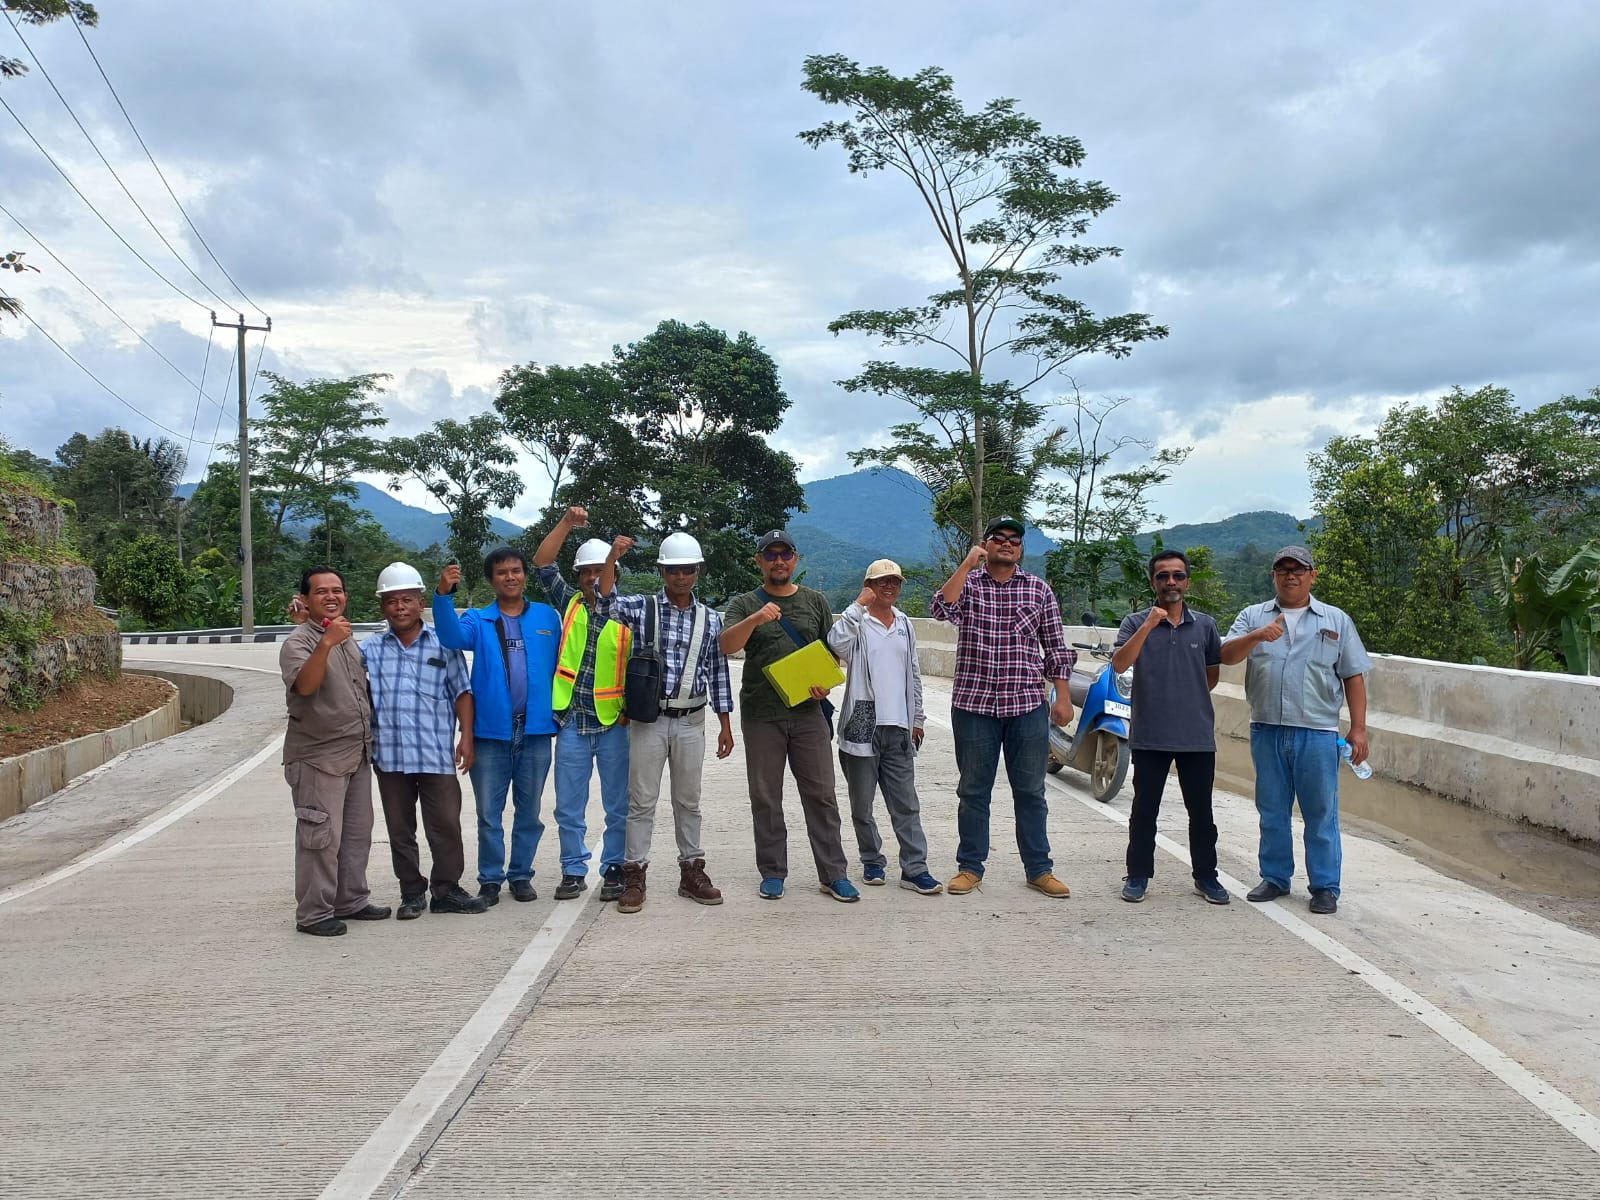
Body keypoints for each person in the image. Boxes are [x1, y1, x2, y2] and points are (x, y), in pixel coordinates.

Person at [1221, 545, 1372, 915]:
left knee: (1320, 813)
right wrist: (1258, 636)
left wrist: (1359, 729)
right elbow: (1226, 655)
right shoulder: (1253, 616)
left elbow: (1353, 675)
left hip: (1317, 732)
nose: (1291, 575)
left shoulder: (1336, 620)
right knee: (1271, 809)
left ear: (1312, 576)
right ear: (1273, 575)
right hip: (1267, 728)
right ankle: (1274, 878)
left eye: (1298, 569)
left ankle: (1324, 887)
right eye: (1283, 569)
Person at [931, 516, 1075, 898]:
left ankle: (1039, 869)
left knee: (1031, 792)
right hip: (974, 705)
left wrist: (1062, 696)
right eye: (999, 537)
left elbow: (1055, 646)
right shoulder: (969, 584)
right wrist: (967, 564)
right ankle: (970, 867)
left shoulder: (1038, 590)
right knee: (973, 791)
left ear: (1021, 548)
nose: (1007, 543)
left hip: (1026, 706)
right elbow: (940, 609)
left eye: (1014, 539)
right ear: (987, 544)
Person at [596, 531, 735, 913]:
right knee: (641, 801)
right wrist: (612, 558)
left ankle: (692, 871)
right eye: (674, 570)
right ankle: (635, 875)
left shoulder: (710, 619)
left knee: (689, 800)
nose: (681, 576)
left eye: (688, 569)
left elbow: (717, 670)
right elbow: (604, 603)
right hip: (650, 720)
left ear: (698, 571)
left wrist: (725, 723)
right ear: (662, 571)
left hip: (692, 719)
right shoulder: (644, 608)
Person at [720, 529, 857, 903]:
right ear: (759, 561)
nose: (778, 561)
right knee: (766, 796)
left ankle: (833, 874)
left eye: (785, 554)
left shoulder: (815, 601)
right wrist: (755, 620)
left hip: (809, 714)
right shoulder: (745, 603)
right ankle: (772, 872)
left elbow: (832, 652)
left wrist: (825, 682)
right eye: (771, 555)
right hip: (762, 714)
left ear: (796, 560)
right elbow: (727, 645)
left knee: (822, 794)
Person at [432, 547, 561, 907]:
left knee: (529, 812)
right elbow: (451, 637)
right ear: (492, 580)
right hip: (490, 734)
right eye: (502, 572)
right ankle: (490, 878)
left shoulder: (547, 617)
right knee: (489, 814)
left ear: (524, 575)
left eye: (516, 570)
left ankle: (520, 875)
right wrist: (443, 594)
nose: (510, 577)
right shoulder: (478, 620)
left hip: (535, 731)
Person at [362, 562, 486, 920]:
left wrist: (466, 737)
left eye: (406, 600)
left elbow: (462, 692)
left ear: (420, 603)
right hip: (390, 756)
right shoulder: (369, 649)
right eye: (391, 601)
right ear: (383, 606)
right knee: (400, 830)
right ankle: (411, 893)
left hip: (434, 753)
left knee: (445, 825)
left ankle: (446, 890)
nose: (399, 607)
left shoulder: (443, 644)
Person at [1111, 550, 1228, 906]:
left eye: (1178, 575)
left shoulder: (1205, 626)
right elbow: (1119, 664)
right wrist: (1149, 625)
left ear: (1187, 581)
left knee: (1201, 813)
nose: (1171, 582)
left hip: (1196, 736)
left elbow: (1210, 677)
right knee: (1144, 810)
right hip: (1150, 734)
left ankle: (1206, 876)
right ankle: (1137, 875)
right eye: (1163, 576)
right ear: (1153, 582)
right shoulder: (1134, 622)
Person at [279, 566, 390, 936]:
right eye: (321, 591)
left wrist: (332, 637)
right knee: (320, 838)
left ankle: (350, 900)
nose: (331, 596)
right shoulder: (299, 643)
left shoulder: (344, 636)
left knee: (356, 834)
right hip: (317, 758)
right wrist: (325, 642)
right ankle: (313, 913)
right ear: (305, 600)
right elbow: (306, 687)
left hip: (356, 753)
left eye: (337, 590)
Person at [532, 507, 632, 903]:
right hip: (573, 721)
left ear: (614, 573)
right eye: (586, 571)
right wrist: (566, 523)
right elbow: (543, 564)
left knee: (618, 805)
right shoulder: (569, 603)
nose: (593, 577)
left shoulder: (629, 611)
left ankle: (614, 867)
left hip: (614, 723)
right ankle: (573, 869)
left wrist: (629, 710)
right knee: (569, 806)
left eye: (600, 570)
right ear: (578, 577)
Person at [827, 559, 943, 896]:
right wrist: (857, 605)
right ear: (869, 586)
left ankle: (915, 868)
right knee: (862, 805)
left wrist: (917, 718)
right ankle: (871, 860)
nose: (889, 587)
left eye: (895, 581)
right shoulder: (858, 622)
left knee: (906, 804)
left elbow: (914, 673)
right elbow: (835, 643)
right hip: (862, 724)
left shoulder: (904, 624)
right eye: (882, 582)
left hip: (899, 727)